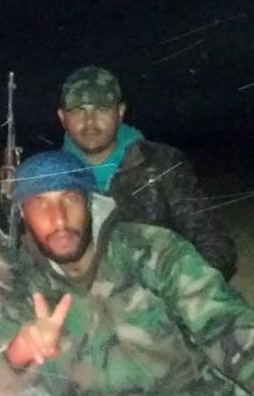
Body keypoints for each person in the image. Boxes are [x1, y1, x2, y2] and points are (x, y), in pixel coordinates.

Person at [0, 150, 254, 396]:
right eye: (40, 204)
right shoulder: (12, 274)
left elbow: (235, 330)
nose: (59, 219)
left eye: (69, 198)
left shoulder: (152, 248)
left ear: (90, 202)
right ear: (22, 213)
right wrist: (17, 353)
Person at [57, 65, 237, 279]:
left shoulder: (162, 163)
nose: (89, 122)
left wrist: (186, 287)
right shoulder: (47, 178)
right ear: (62, 117)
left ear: (120, 112)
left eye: (102, 109)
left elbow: (213, 243)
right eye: (77, 111)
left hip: (160, 288)